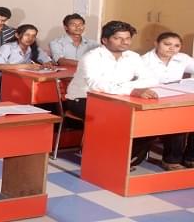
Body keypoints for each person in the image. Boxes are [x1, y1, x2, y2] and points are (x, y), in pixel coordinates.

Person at [66, 21, 161, 169]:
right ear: (105, 40)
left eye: (128, 38)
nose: (125, 42)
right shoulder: (91, 57)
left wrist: (124, 88)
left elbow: (151, 79)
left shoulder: (133, 56)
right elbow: (96, 85)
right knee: (117, 120)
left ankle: (124, 159)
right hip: (84, 98)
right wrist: (131, 90)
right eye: (118, 38)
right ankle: (105, 159)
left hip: (119, 98)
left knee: (150, 122)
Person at [142, 32, 194, 169]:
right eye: (167, 44)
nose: (172, 48)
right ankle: (172, 160)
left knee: (191, 118)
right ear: (156, 44)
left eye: (177, 46)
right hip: (151, 101)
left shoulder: (182, 58)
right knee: (178, 121)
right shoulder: (143, 60)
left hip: (175, 99)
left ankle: (190, 158)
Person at [0, 24, 53, 91]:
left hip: (21, 79)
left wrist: (47, 63)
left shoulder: (35, 48)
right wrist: (26, 66)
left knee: (45, 86)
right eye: (27, 35)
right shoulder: (7, 47)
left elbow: (46, 60)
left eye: (33, 36)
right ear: (17, 35)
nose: (30, 38)